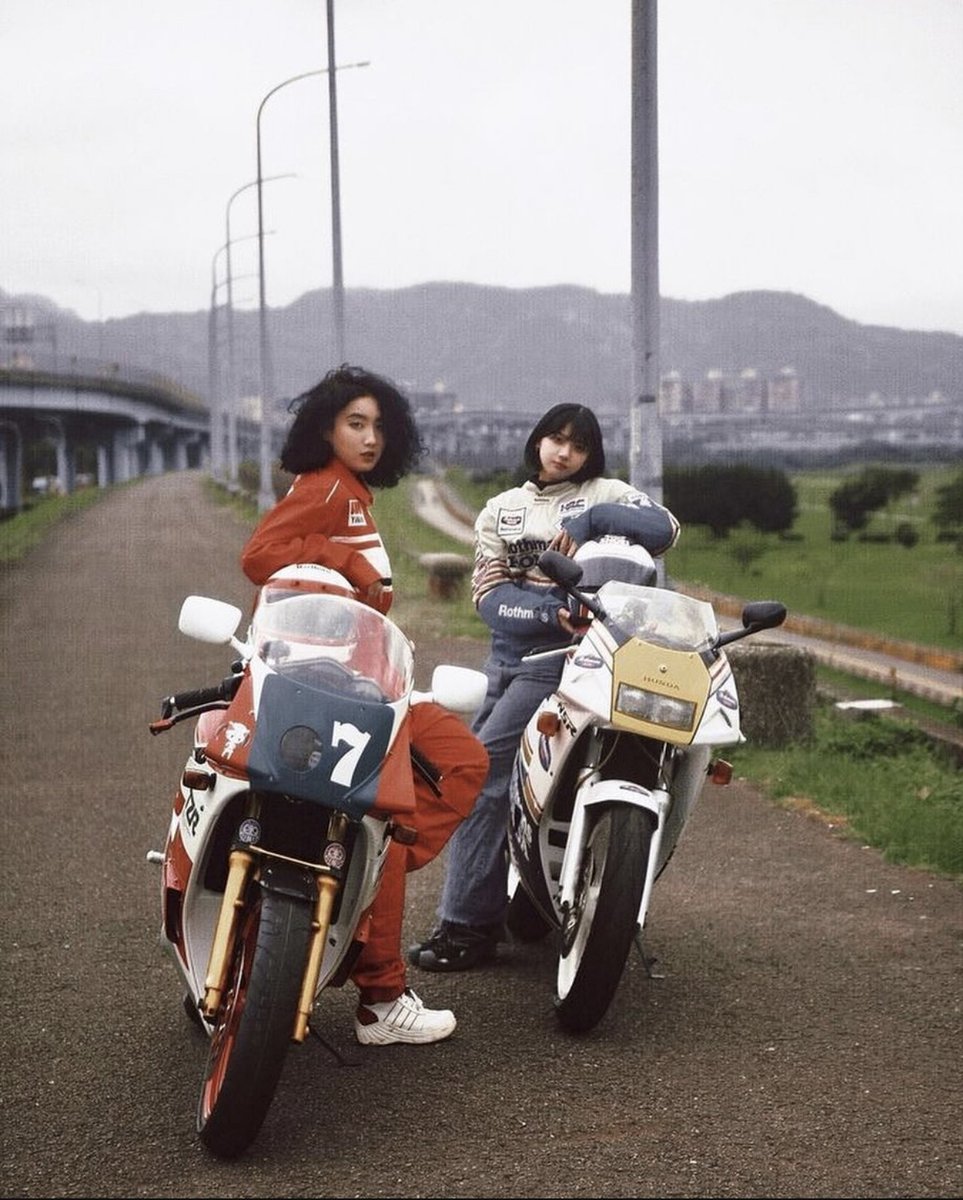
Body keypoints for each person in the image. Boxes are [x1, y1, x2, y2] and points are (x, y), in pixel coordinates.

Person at [240, 364, 489, 1045]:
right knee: (390, 814)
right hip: (329, 687)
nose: (370, 438)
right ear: (326, 429)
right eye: (355, 424)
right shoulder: (325, 490)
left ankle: (361, 877)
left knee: (461, 762)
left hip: (366, 682)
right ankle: (381, 994)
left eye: (379, 426)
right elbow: (259, 556)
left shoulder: (353, 495)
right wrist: (339, 559)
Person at [407, 403, 680, 972]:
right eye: (556, 439)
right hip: (511, 657)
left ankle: (466, 927)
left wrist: (589, 523)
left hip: (573, 660)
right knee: (481, 780)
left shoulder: (608, 492)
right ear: (538, 441)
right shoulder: (502, 509)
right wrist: (546, 612)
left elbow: (666, 530)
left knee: (483, 775)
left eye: (578, 446)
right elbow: (488, 596)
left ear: (591, 455)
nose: (564, 453)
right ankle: (507, 906)